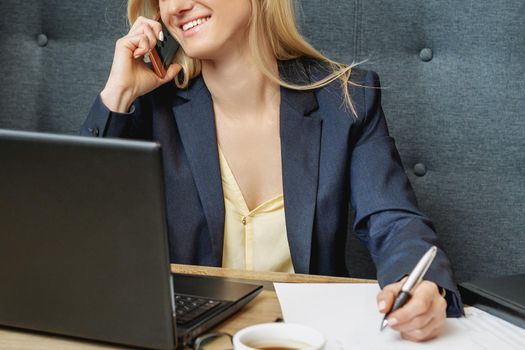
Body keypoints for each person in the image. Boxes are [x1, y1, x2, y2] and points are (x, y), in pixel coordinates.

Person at [81, 0, 464, 342]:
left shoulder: (347, 98)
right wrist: (118, 96)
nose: (177, 6)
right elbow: (79, 232)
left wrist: (423, 286)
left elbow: (394, 220)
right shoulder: (147, 108)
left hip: (307, 337)